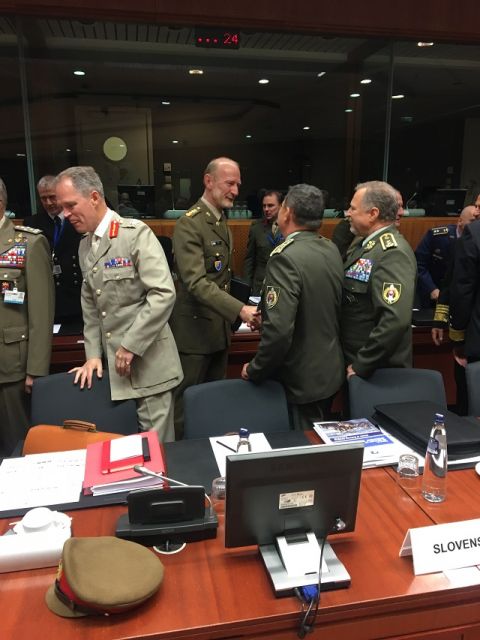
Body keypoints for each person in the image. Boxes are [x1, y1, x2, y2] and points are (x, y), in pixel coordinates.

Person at [55, 166, 183, 442]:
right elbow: (91, 304)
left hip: (148, 367)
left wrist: (130, 345)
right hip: (114, 372)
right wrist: (92, 355)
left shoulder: (134, 234)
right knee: (122, 452)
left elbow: (163, 293)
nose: (64, 214)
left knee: (157, 452)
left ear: (94, 197)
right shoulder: (85, 245)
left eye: (70, 205)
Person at [241, 184, 344, 429]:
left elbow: (279, 333)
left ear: (287, 212)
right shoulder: (329, 247)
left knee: (302, 447)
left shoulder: (285, 257)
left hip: (300, 379)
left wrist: (255, 369)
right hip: (328, 373)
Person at [170, 157, 258, 439]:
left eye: (238, 185)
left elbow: (222, 279)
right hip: (194, 334)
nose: (235, 191)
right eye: (229, 183)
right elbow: (196, 282)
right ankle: (183, 459)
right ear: (209, 181)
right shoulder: (190, 224)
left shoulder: (220, 221)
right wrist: (240, 310)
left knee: (212, 404)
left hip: (219, 330)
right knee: (187, 406)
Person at [0, 177, 54, 456]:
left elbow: (41, 312)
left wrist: (36, 369)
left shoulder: (28, 243)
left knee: (16, 447)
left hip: (10, 365)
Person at [341, 181, 416, 379]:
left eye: (353, 208)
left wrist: (362, 364)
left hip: (378, 371)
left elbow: (394, 320)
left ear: (373, 214)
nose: (348, 213)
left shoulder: (391, 253)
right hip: (357, 361)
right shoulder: (365, 246)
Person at [23, 175, 82, 325]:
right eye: (44, 198)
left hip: (77, 297)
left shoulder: (77, 219)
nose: (48, 203)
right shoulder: (32, 223)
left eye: (52, 197)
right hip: (50, 296)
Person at [415, 207, 477, 308]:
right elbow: (419, 264)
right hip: (432, 293)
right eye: (472, 221)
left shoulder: (476, 244)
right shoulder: (438, 237)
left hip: (461, 298)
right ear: (460, 221)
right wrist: (431, 288)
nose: (476, 226)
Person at [448, 208, 480, 368]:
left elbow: (463, 289)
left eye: (479, 207)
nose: (476, 212)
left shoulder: (474, 232)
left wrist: (458, 337)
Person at [243, 190, 284, 295]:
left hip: (283, 283)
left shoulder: (289, 227)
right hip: (260, 285)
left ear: (281, 205)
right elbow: (249, 260)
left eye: (270, 206)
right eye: (264, 206)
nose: (266, 209)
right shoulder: (256, 228)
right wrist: (246, 287)